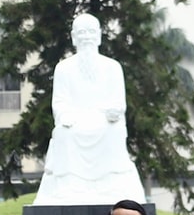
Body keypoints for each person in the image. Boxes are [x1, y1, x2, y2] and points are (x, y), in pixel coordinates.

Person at [33, 12, 145, 205]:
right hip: (75, 121)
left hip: (104, 120)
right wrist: (65, 116)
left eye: (91, 32)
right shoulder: (64, 68)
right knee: (64, 133)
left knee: (113, 130)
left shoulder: (112, 67)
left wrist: (113, 111)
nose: (87, 37)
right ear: (74, 37)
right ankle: (70, 187)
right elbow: (59, 102)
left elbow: (119, 102)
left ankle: (111, 186)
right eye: (82, 32)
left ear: (99, 36)